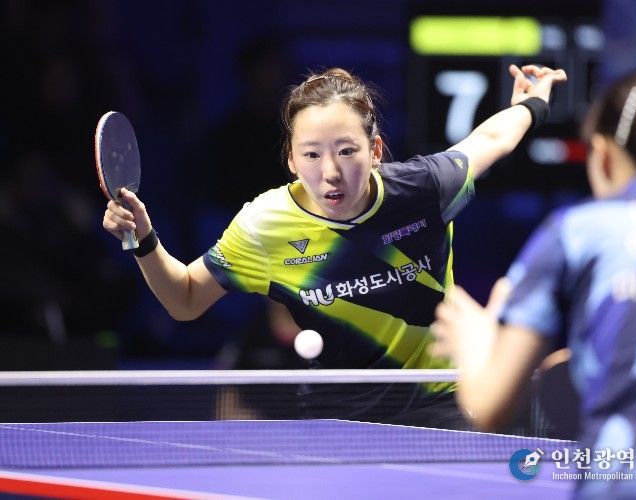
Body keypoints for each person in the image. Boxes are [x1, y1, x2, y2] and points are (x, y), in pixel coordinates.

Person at [103, 63, 567, 429]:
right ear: (291, 160)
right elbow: (185, 299)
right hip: (338, 416)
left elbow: (491, 139)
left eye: (347, 150)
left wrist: (533, 104)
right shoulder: (265, 225)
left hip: (442, 402)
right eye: (311, 154)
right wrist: (143, 239)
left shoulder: (423, 189)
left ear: (375, 151)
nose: (330, 172)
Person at [431, 69, 636, 495]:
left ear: (602, 156)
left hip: (634, 479)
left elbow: (489, 406)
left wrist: (477, 341)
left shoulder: (576, 232)